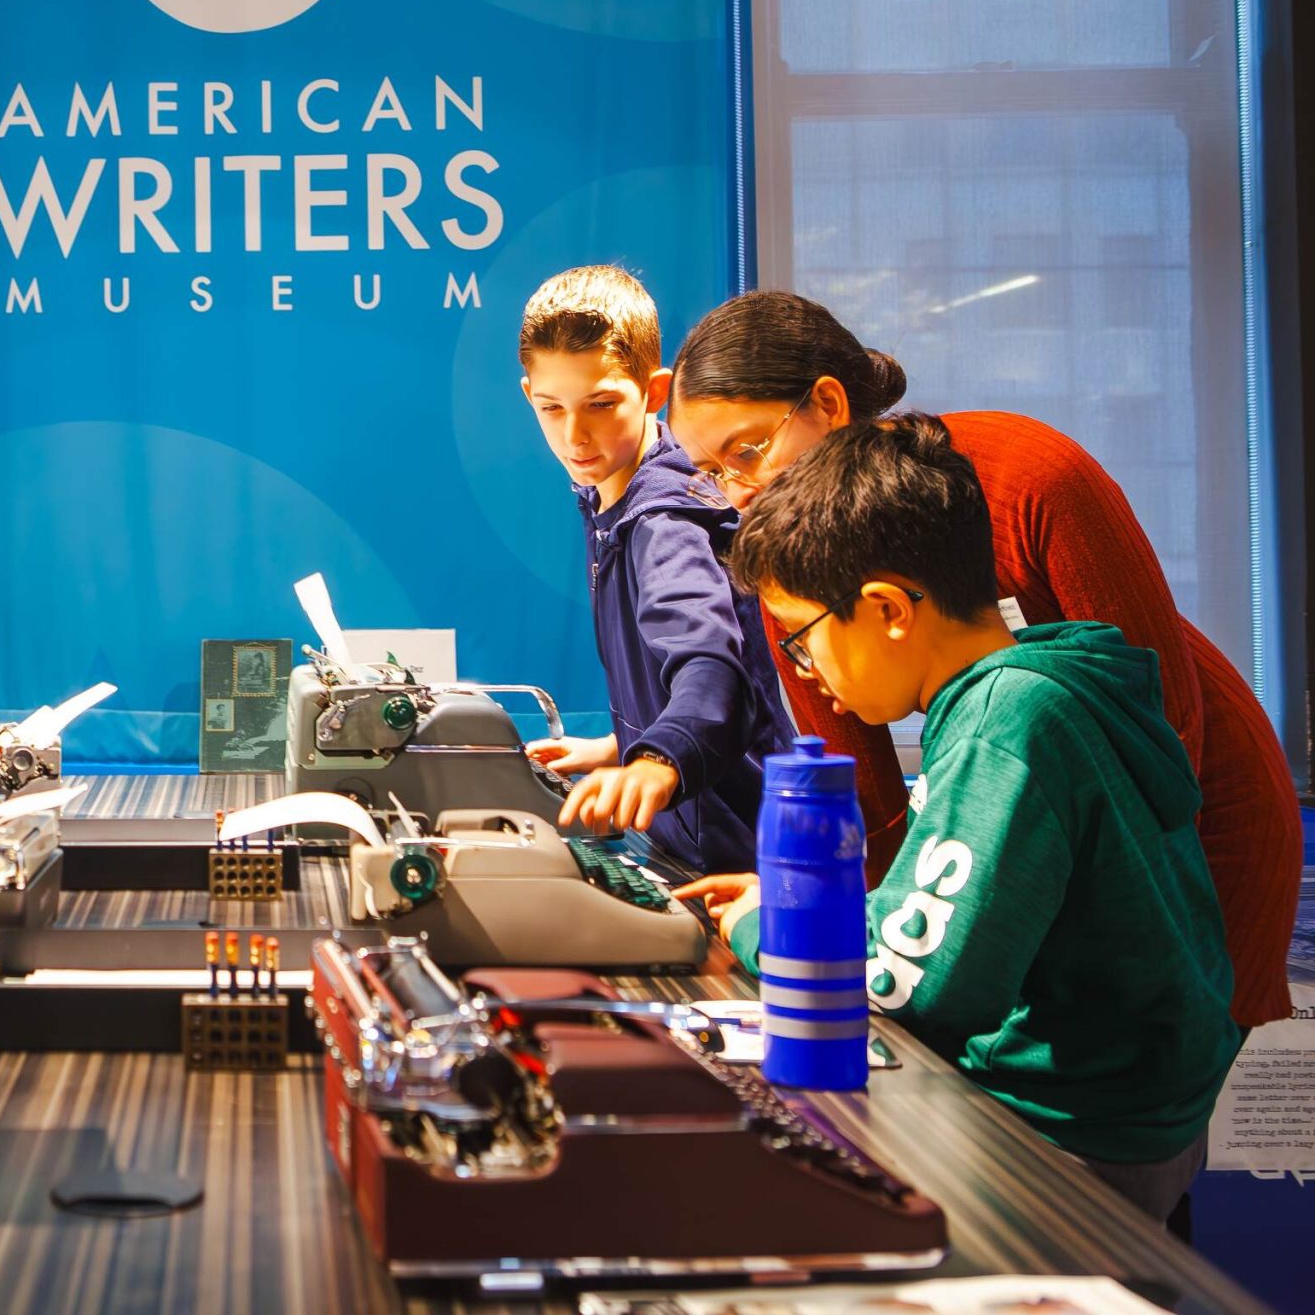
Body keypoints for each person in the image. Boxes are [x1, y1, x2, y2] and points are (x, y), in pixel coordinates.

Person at [666, 289, 1299, 1027]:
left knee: (1141, 1072)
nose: (738, 491)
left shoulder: (1029, 477)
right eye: (711, 472)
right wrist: (845, 931)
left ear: (830, 404)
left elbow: (1164, 726)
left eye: (746, 450)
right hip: (1020, 855)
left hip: (1194, 809)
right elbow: (862, 800)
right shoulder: (789, 567)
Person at [678, 416, 1240, 1223]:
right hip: (1143, 1120)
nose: (808, 671)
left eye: (803, 640)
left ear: (886, 609)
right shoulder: (1041, 680)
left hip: (1070, 1136)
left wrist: (769, 927)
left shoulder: (1005, 725)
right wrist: (806, 905)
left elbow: (912, 987)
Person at [514, 268, 793, 875]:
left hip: (741, 857)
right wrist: (619, 745)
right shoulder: (607, 495)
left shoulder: (663, 521)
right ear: (527, 394)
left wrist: (657, 760)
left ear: (656, 389)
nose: (574, 434)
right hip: (694, 836)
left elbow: (713, 670)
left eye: (602, 404)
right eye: (551, 407)